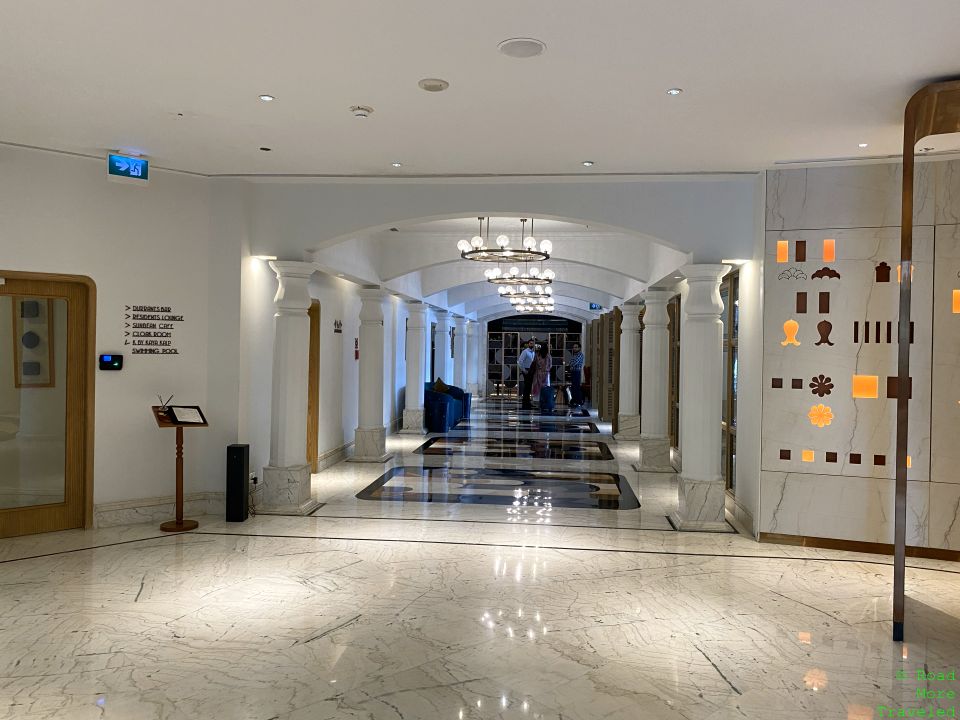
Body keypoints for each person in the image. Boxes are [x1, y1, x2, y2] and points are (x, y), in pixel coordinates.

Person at [532, 344, 554, 413]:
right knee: (545, 388)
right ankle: (545, 402)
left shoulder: (537, 355)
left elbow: (534, 363)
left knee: (538, 387)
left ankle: (537, 402)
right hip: (546, 374)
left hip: (538, 373)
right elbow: (550, 365)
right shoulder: (548, 356)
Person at [518, 337, 537, 410]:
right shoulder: (525, 352)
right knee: (527, 387)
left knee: (529, 387)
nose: (531, 344)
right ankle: (525, 402)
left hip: (531, 371)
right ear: (528, 344)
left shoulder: (533, 352)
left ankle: (527, 401)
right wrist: (524, 370)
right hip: (526, 370)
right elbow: (520, 362)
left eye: (533, 343)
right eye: (530, 343)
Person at [568, 342, 585, 408]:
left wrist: (571, 364)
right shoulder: (574, 355)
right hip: (573, 372)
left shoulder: (580, 355)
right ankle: (574, 400)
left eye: (576, 347)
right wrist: (571, 363)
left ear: (579, 348)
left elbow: (573, 363)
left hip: (577, 372)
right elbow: (570, 362)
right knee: (573, 387)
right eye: (573, 347)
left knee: (576, 387)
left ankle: (578, 401)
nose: (574, 348)